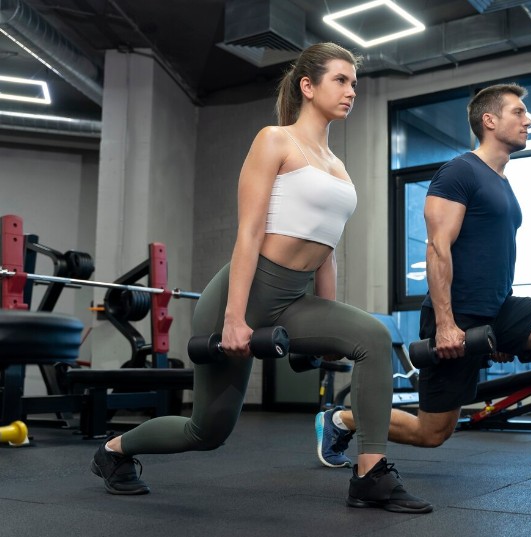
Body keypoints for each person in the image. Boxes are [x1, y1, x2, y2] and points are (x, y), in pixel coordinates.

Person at [90, 42, 433, 514]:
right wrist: (233, 319)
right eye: (341, 80)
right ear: (308, 87)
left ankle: (370, 473)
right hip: (242, 295)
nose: (351, 90)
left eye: (355, 82)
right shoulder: (275, 140)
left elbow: (327, 252)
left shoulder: (338, 166)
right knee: (206, 432)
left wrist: (331, 327)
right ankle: (113, 452)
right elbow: (248, 235)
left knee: (371, 337)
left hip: (294, 299)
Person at [316, 83, 531, 481]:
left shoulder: (502, 183)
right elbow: (436, 248)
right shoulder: (459, 172)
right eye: (517, 112)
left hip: (497, 310)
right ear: (489, 121)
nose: (527, 121)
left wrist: (505, 338)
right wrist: (448, 324)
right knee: (432, 432)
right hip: (456, 315)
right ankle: (342, 419)